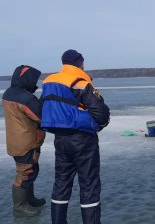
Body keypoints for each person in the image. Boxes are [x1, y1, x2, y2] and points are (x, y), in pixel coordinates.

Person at [40, 50, 110, 224]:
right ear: (79, 63)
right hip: (83, 139)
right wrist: (100, 124)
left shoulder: (49, 82)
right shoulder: (80, 82)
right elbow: (100, 113)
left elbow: (42, 106)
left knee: (61, 183)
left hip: (60, 140)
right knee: (89, 185)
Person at [2, 65, 46, 216]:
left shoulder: (10, 93)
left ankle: (29, 199)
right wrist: (45, 98)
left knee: (31, 170)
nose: (35, 83)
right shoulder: (25, 98)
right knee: (25, 173)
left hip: (17, 140)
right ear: (26, 79)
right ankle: (20, 206)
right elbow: (41, 116)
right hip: (26, 142)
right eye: (33, 80)